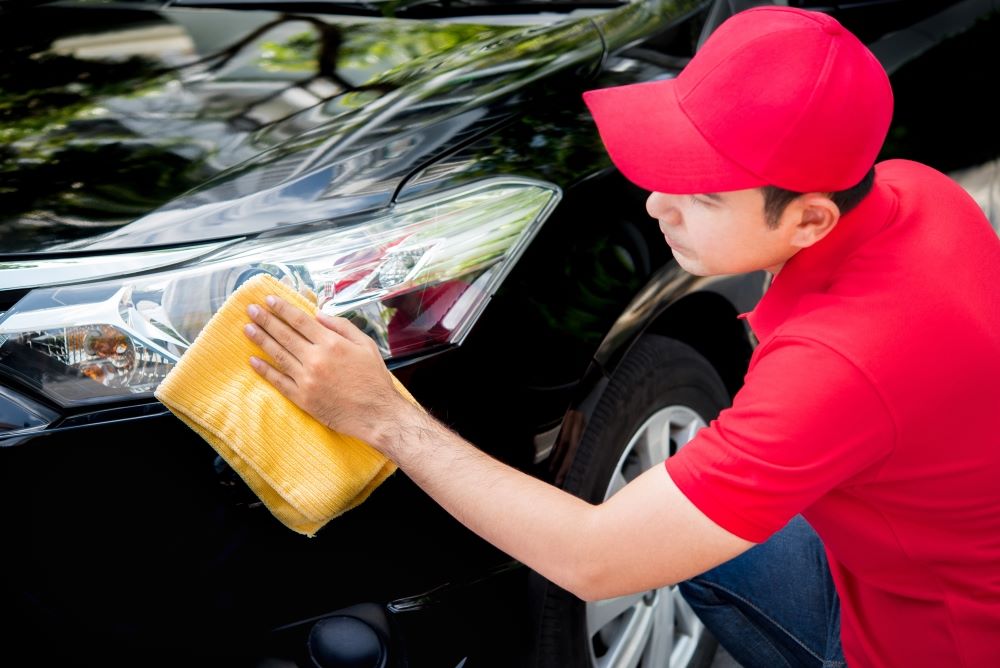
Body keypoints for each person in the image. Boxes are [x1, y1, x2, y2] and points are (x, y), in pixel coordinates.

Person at [238, 6, 1000, 666]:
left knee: (655, 538)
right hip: (914, 557)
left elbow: (596, 560)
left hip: (931, 642)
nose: (658, 203)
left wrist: (382, 415)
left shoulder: (840, 363)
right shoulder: (909, 188)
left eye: (701, 194)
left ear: (809, 219)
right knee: (691, 524)